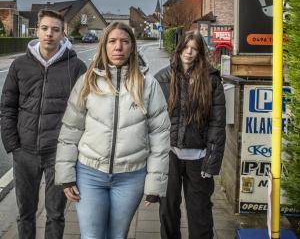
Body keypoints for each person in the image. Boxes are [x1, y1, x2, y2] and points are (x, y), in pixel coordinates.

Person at [55, 21, 170, 239]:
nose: (118, 47)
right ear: (104, 46)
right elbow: (71, 129)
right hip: (89, 174)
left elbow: (160, 135)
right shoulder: (87, 81)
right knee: (91, 236)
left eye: (125, 42)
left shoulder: (148, 84)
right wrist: (66, 176)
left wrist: (154, 182)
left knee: (117, 236)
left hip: (131, 176)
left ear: (132, 47)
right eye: (113, 41)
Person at [0, 9, 86, 239]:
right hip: (24, 151)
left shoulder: (76, 67)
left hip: (58, 153)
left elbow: (84, 111)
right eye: (45, 28)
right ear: (37, 30)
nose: (49, 34)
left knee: (55, 214)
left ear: (62, 33)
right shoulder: (19, 65)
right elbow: (7, 106)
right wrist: (12, 145)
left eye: (55, 30)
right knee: (25, 212)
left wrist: (73, 148)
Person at [155, 30, 226, 239]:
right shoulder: (162, 78)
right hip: (170, 157)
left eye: (194, 49)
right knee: (168, 212)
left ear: (200, 53)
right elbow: (153, 122)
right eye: (186, 47)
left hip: (199, 159)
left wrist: (211, 163)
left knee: (200, 214)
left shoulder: (211, 81)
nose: (189, 52)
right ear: (179, 50)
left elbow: (217, 124)